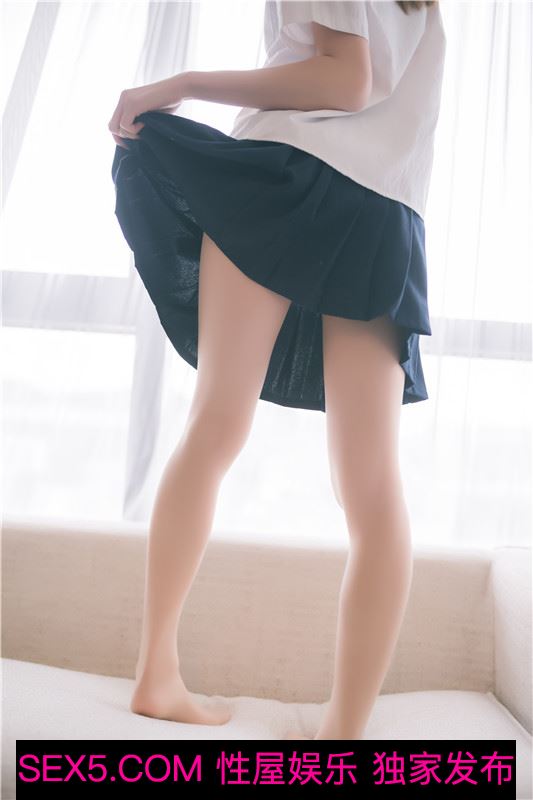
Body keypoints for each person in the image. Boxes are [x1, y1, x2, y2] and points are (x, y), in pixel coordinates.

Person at [108, 0, 447, 740]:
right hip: (383, 206)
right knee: (372, 487)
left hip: (287, 176)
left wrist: (182, 83)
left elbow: (343, 80)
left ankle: (157, 674)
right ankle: (343, 736)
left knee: (213, 427)